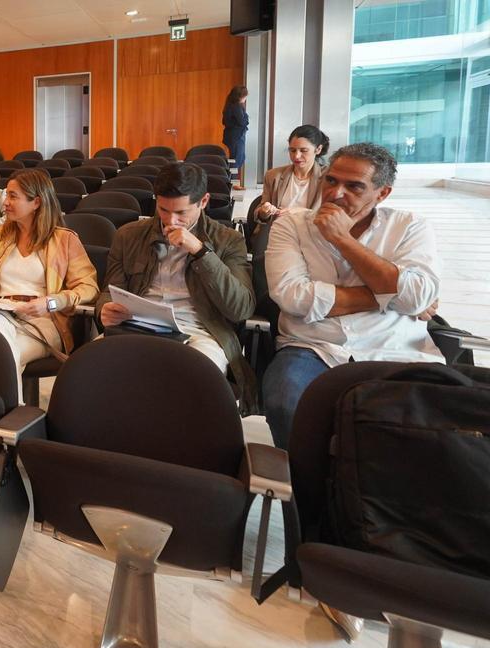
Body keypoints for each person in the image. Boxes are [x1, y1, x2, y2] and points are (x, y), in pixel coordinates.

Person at [263, 143, 443, 448]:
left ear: (382, 193)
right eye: (331, 180)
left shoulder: (408, 227)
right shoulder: (291, 225)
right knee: (285, 401)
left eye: (354, 186)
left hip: (393, 347)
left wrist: (342, 239)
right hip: (312, 345)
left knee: (419, 421)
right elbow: (294, 298)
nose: (335, 193)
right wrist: (387, 296)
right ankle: (306, 490)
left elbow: (418, 296)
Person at [97, 162, 256, 406]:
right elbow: (110, 291)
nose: (171, 220)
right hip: (137, 326)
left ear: (203, 202)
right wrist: (105, 307)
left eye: (181, 213)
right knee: (91, 370)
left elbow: (240, 308)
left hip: (199, 331)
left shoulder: (228, 240)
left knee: (190, 382)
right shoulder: (128, 235)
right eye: (163, 209)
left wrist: (201, 252)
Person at [0, 169, 98, 399]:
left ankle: (5, 419)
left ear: (36, 202)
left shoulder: (64, 240)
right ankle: (11, 418)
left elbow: (88, 287)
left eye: (13, 196)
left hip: (44, 319)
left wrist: (52, 302)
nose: (5, 202)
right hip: (0, 311)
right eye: (7, 196)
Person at [255, 125, 330, 225]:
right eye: (292, 150)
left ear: (318, 149)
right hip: (278, 231)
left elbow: (332, 216)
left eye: (303, 150)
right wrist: (264, 211)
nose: (296, 156)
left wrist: (302, 212)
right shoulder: (273, 175)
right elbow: (260, 216)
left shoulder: (329, 178)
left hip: (312, 234)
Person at [222, 85, 249, 189]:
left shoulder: (229, 105)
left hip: (231, 136)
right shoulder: (237, 106)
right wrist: (246, 116)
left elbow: (224, 122)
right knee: (237, 159)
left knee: (237, 158)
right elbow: (243, 122)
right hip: (237, 136)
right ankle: (232, 184)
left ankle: (232, 182)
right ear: (241, 96)